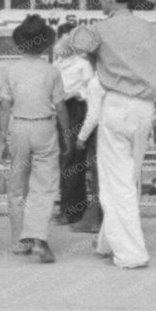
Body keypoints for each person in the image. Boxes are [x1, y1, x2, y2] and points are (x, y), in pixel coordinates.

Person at [67, 0, 156, 270]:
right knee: (126, 178)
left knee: (116, 183)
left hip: (115, 106)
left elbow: (71, 46)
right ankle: (107, 241)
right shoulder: (154, 32)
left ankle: (131, 253)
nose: (99, 1)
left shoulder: (100, 30)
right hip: (144, 110)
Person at [0, 14, 66, 263]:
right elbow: (60, 107)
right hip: (44, 128)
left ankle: (18, 241)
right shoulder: (52, 71)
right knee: (43, 186)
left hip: (19, 127)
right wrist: (66, 134)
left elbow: (4, 107)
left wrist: (3, 137)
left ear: (20, 44)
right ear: (44, 44)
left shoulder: (10, 71)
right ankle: (37, 237)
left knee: (16, 186)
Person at [57, 25, 99, 231]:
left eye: (67, 37)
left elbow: (90, 90)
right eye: (62, 37)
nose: (63, 41)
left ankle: (73, 210)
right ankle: (67, 207)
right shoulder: (57, 63)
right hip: (59, 110)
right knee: (64, 159)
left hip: (77, 110)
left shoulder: (83, 64)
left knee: (73, 160)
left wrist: (75, 93)